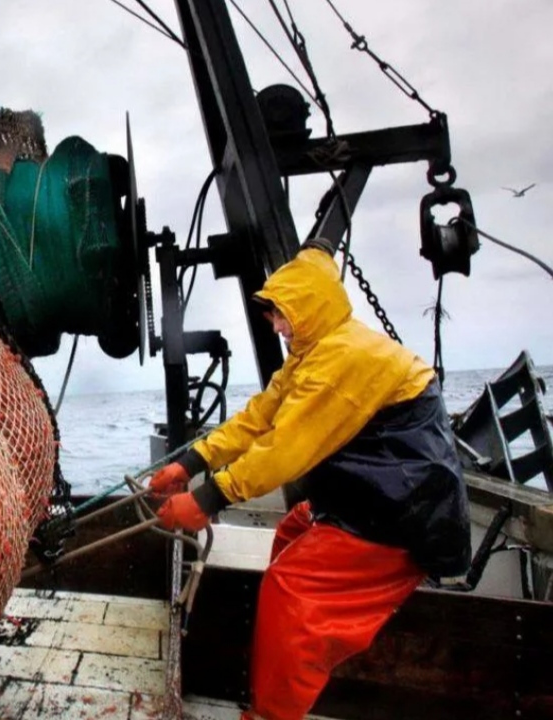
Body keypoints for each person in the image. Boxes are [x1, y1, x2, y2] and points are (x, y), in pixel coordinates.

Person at [150, 239, 471, 720]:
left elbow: (285, 450)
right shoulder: (312, 352)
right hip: (369, 495)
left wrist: (207, 499)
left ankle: (274, 713)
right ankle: (276, 675)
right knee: (293, 529)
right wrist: (193, 461)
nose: (276, 326)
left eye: (282, 315)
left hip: (404, 516)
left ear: (309, 306)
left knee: (290, 590)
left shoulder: (341, 361)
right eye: (274, 317)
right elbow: (261, 417)